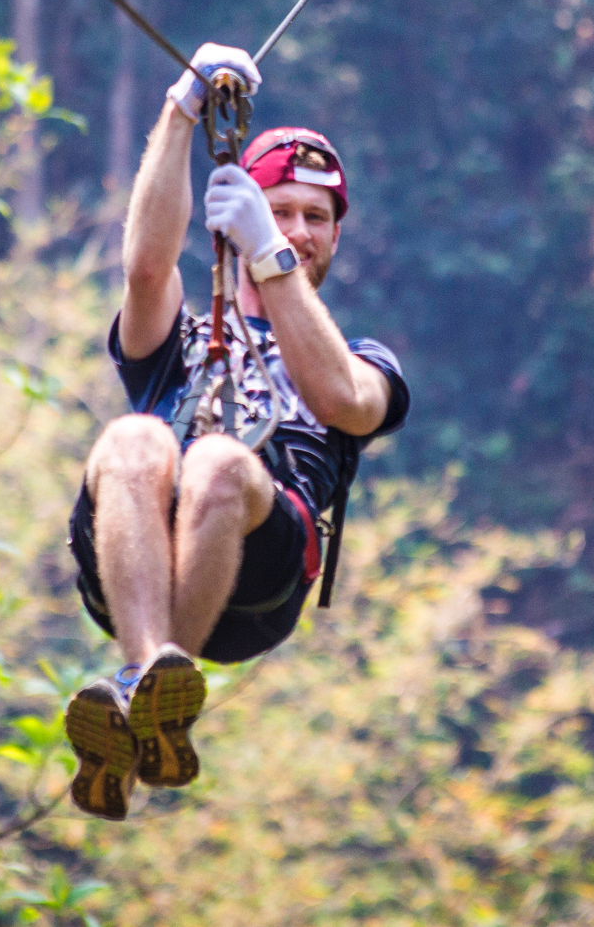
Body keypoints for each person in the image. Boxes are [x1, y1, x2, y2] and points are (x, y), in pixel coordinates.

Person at [62, 42, 410, 821]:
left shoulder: (361, 358)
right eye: (279, 209)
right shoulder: (180, 343)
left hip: (258, 579)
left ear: (335, 236)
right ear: (236, 211)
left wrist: (268, 248)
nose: (299, 228)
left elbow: (341, 398)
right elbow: (147, 270)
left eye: (314, 218)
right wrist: (180, 109)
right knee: (130, 441)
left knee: (219, 459)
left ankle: (150, 689)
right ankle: (148, 689)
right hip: (130, 566)